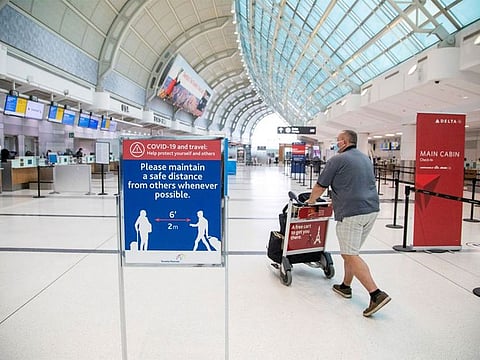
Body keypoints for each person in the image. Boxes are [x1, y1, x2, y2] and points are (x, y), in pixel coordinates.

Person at [306, 130, 391, 317]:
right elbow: (354, 183)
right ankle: (345, 286)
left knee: (350, 254)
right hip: (372, 210)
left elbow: (321, 185)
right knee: (351, 253)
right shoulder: (364, 158)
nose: (336, 144)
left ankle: (376, 294)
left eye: (337, 141)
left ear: (344, 142)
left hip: (352, 212)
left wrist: (311, 202)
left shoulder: (337, 160)